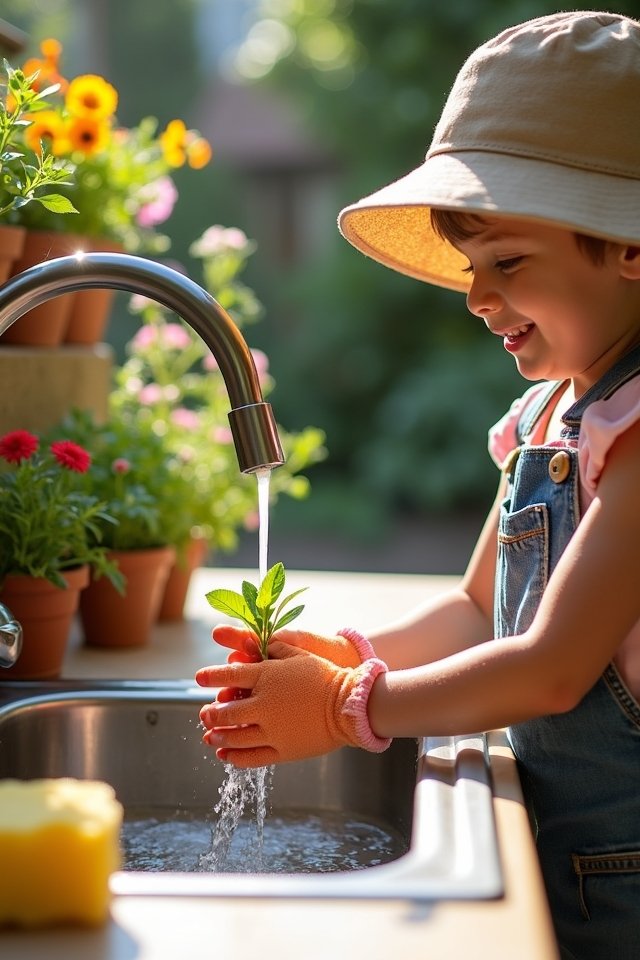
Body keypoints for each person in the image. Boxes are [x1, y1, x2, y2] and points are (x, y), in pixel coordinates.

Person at [196, 11, 640, 959]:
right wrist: (344, 650)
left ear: (629, 247)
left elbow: (554, 668)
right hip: (565, 857)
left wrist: (346, 704)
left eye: (508, 264)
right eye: (473, 269)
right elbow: (481, 608)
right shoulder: (550, 417)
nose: (478, 298)